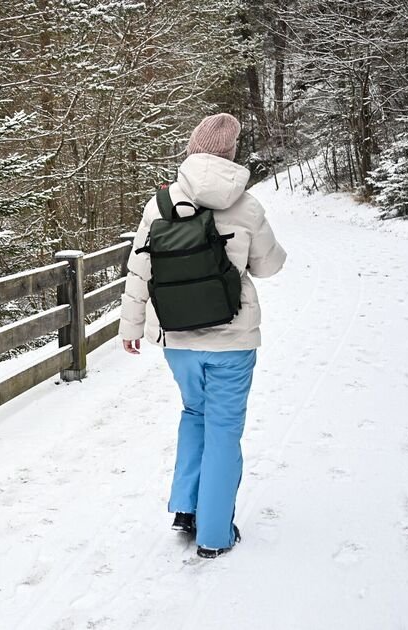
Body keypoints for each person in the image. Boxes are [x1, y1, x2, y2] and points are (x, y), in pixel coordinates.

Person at [120, 113, 286, 558]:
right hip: (232, 339)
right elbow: (268, 266)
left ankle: (186, 509)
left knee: (195, 413)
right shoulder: (247, 206)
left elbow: (140, 270)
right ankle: (214, 534)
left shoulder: (161, 203)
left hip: (178, 339)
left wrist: (131, 326)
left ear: (192, 150)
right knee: (224, 429)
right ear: (231, 155)